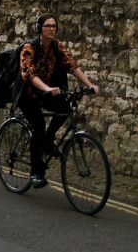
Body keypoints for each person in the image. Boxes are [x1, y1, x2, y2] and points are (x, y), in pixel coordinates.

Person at [17, 12, 99, 188]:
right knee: (38, 126)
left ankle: (48, 139)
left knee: (67, 106)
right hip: (28, 94)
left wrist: (90, 85)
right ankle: (36, 172)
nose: (51, 29)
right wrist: (47, 88)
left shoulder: (57, 46)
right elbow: (29, 74)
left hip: (48, 92)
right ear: (40, 28)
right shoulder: (28, 48)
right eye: (47, 25)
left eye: (54, 26)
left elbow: (73, 66)